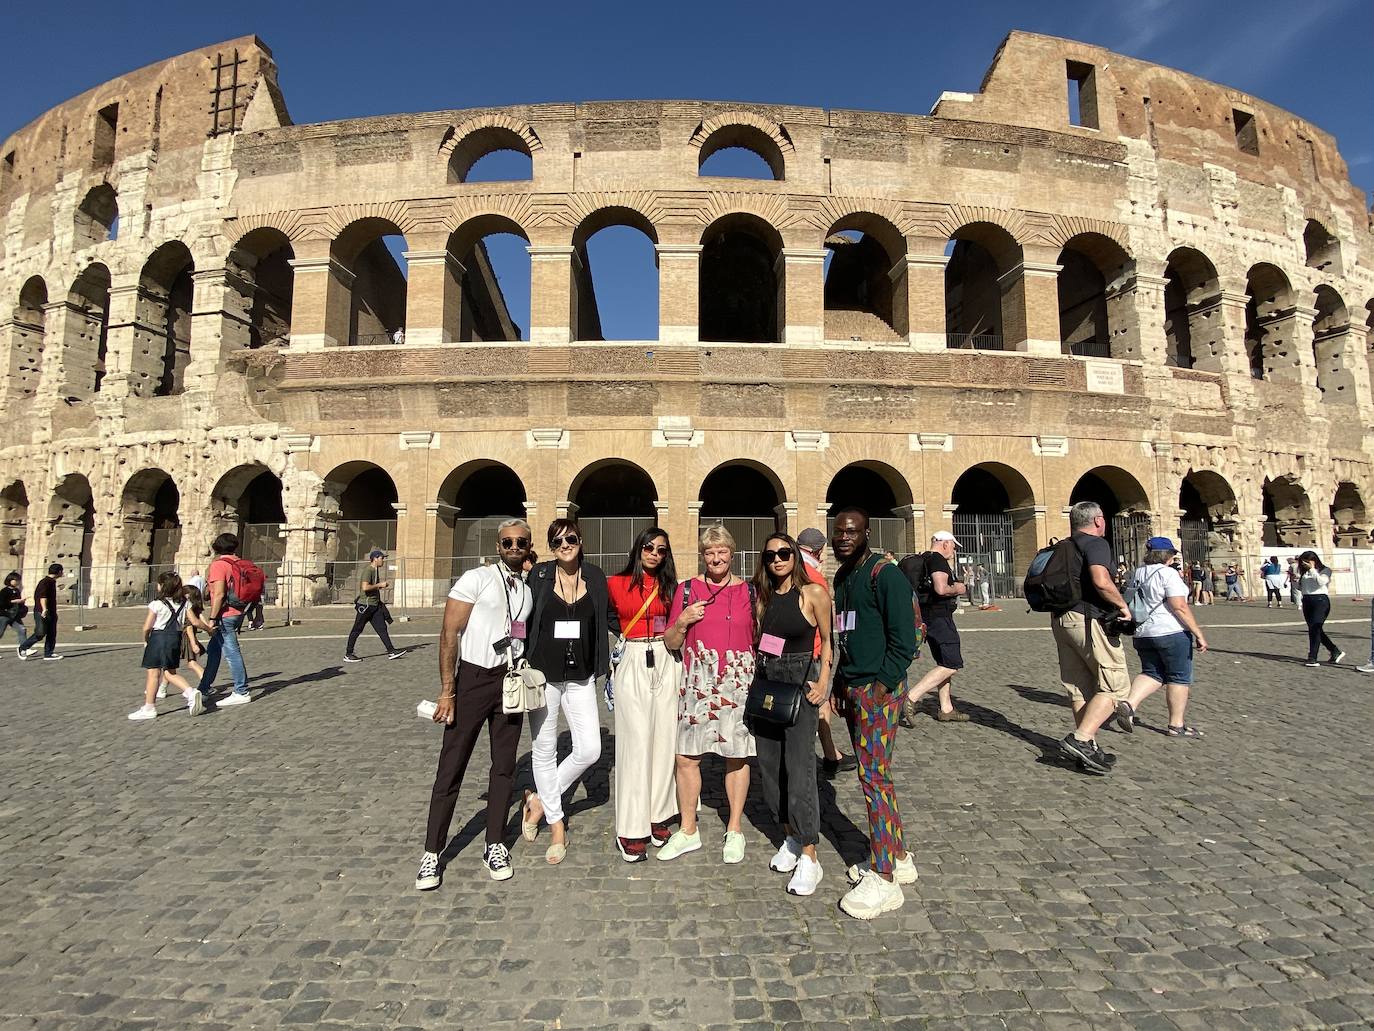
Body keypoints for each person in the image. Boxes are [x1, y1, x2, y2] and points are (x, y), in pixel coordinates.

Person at [416, 519, 535, 890]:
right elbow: (449, 632)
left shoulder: (526, 589)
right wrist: (447, 689)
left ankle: (495, 843)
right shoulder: (476, 578)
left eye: (521, 542)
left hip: (509, 681)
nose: (514, 547)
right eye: (507, 542)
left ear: (529, 547)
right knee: (451, 766)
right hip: (472, 679)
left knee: (504, 769)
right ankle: (432, 852)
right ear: (498, 545)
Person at [830, 508, 918, 920]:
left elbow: (907, 639)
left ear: (867, 532)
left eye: (851, 531)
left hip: (877, 690)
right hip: (853, 686)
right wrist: (838, 684)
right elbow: (846, 633)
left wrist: (881, 687)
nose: (844, 537)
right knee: (874, 772)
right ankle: (897, 856)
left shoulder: (886, 575)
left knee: (873, 777)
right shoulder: (844, 576)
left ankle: (884, 878)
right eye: (839, 532)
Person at [519, 520, 615, 865]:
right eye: (557, 540)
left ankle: (539, 803)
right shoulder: (540, 576)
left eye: (570, 538)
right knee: (543, 749)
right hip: (542, 677)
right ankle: (557, 825)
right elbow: (520, 615)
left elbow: (611, 616)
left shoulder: (595, 576)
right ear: (550, 545)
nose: (565, 544)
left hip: (581, 676)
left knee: (589, 749)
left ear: (580, 540)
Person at [660, 525, 757, 865]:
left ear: (732, 553)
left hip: (739, 683)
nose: (716, 558)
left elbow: (762, 637)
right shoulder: (687, 590)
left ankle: (734, 829)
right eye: (709, 553)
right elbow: (671, 642)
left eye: (722, 552)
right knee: (686, 757)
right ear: (702, 555)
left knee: (737, 756)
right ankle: (688, 830)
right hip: (698, 682)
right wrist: (683, 621)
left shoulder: (751, 592)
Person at [751, 532, 833, 896]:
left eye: (785, 553)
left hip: (800, 679)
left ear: (796, 557)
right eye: (771, 556)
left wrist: (824, 682)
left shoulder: (813, 593)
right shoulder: (764, 597)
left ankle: (810, 855)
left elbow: (829, 642)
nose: (778, 560)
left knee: (800, 769)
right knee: (770, 766)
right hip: (769, 679)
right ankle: (789, 837)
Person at [605, 526, 679, 863]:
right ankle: (631, 827)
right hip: (634, 656)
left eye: (661, 550)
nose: (654, 553)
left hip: (666, 658)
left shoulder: (671, 587)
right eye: (648, 547)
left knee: (665, 739)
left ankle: (658, 813)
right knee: (634, 743)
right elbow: (606, 616)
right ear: (638, 549)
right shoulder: (615, 583)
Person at [1050, 502, 1133, 775]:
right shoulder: (1096, 543)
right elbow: (1100, 580)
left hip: (1062, 620)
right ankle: (1081, 738)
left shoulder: (1064, 545)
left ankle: (1088, 748)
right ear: (1098, 520)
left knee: (1079, 687)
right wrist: (1123, 607)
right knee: (1116, 685)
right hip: (1088, 619)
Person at [1117, 537, 1209, 739]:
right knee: (1179, 677)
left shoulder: (1138, 573)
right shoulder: (1168, 574)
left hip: (1143, 632)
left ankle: (1129, 704)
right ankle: (1176, 725)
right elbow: (1179, 607)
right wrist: (1198, 633)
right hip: (1171, 631)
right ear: (1167, 555)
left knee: (1152, 672)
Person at [797, 527, 855, 779]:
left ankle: (832, 755)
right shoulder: (813, 576)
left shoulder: (789, 567)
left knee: (817, 704)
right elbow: (827, 621)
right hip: (813, 650)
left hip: (792, 649)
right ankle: (824, 757)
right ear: (819, 550)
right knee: (816, 700)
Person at [901, 531, 969, 724]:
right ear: (945, 544)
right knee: (952, 664)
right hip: (939, 617)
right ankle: (912, 697)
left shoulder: (922, 558)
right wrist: (959, 588)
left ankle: (946, 708)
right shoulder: (938, 560)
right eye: (954, 546)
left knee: (943, 661)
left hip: (925, 616)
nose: (954, 551)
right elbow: (941, 588)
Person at [128, 572, 205, 721]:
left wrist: (145, 639)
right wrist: (208, 629)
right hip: (175, 638)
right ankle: (190, 692)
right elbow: (195, 622)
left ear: (162, 586)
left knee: (153, 673)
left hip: (158, 638)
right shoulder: (185, 603)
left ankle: (149, 707)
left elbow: (146, 627)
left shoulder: (156, 604)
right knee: (170, 672)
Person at [201, 534, 251, 705]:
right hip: (239, 610)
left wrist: (212, 617)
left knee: (231, 652)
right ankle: (204, 687)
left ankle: (241, 691)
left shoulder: (219, 565)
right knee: (214, 651)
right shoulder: (240, 562)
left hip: (225, 614)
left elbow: (219, 594)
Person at [344, 550, 405, 662]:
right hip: (366, 605)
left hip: (374, 605)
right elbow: (365, 587)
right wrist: (379, 585)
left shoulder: (375, 570)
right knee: (357, 629)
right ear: (375, 558)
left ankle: (391, 651)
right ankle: (348, 653)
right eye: (382, 558)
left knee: (382, 628)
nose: (383, 560)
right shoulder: (368, 571)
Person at [1296, 550, 1343, 667]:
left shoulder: (1325, 571)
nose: (1304, 564)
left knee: (1315, 628)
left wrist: (1312, 569)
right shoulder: (1304, 573)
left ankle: (1312, 657)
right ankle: (1334, 650)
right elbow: (1302, 588)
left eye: (1307, 561)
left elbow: (1321, 582)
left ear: (1314, 560)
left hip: (1320, 601)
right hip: (1307, 600)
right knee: (1315, 629)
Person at [17, 563, 63, 661]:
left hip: (51, 611)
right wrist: (45, 609)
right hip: (42, 611)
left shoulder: (52, 581)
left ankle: (48, 653)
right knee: (40, 633)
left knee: (52, 633)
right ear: (59, 572)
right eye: (61, 571)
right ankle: (23, 648)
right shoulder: (45, 582)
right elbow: (43, 597)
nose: (62, 573)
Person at [0, 572, 26, 647]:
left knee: (22, 629)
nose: (18, 582)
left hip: (14, 615)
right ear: (10, 580)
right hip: (4, 615)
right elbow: (1, 603)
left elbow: (19, 603)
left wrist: (22, 602)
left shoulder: (17, 590)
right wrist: (13, 601)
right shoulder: (4, 591)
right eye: (16, 580)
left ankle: (24, 649)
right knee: (0, 633)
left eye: (19, 580)